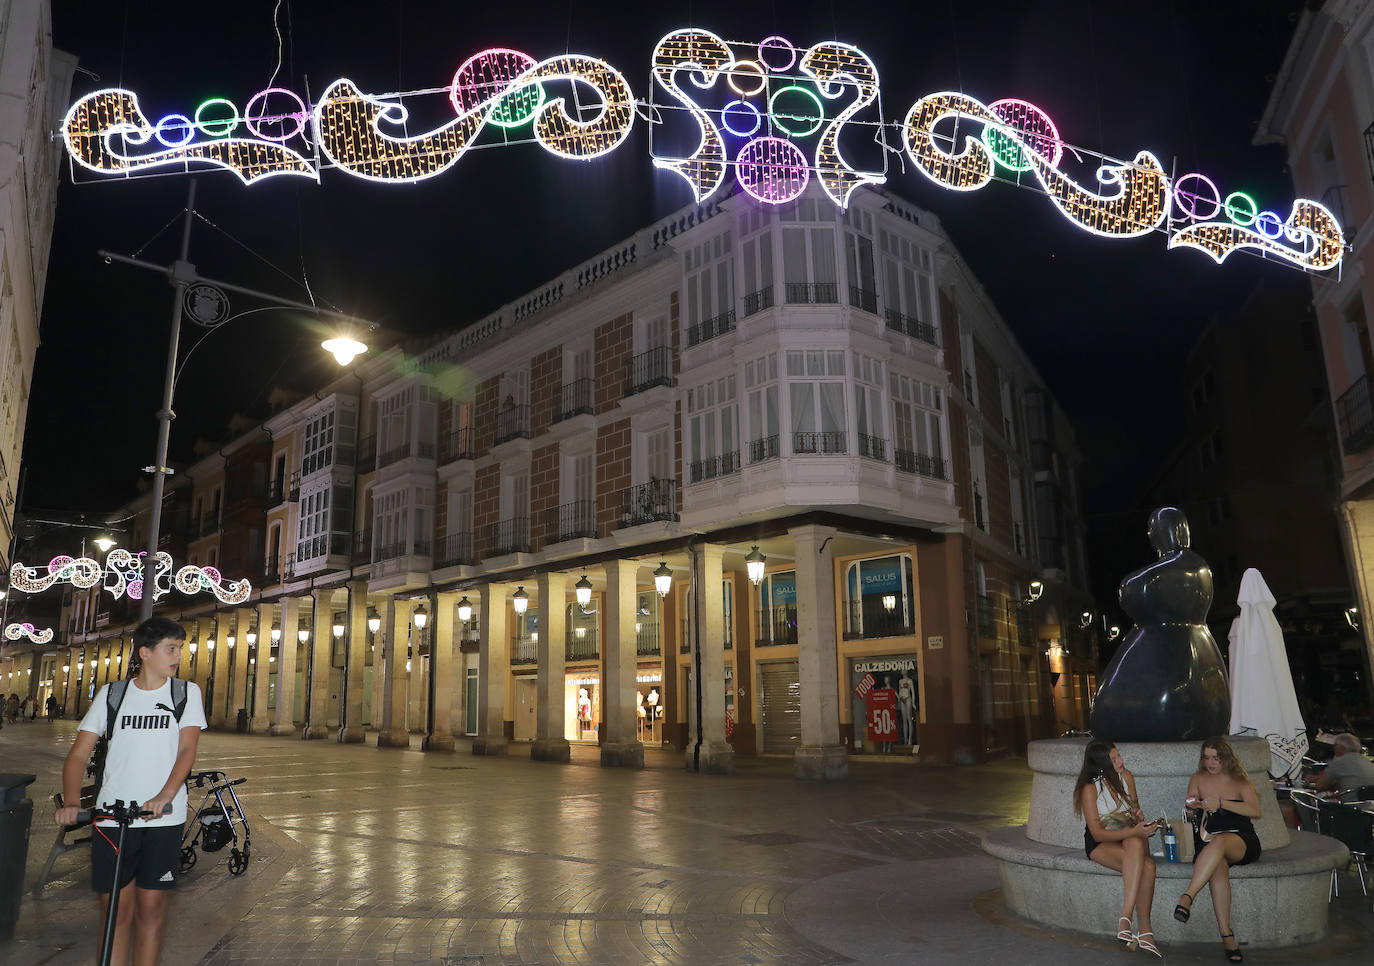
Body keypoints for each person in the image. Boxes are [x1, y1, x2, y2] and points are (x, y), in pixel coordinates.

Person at [54, 617, 206, 966]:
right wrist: (73, 802)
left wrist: (165, 796)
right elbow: (78, 754)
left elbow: (187, 751)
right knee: (115, 914)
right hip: (112, 818)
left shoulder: (185, 693)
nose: (178, 656)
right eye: (171, 649)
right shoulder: (114, 695)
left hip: (163, 820)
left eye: (180, 649)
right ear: (146, 653)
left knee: (151, 910)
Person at [1174, 737, 1262, 963]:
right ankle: (1227, 936)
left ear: (1226, 758)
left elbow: (1255, 810)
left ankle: (1187, 896)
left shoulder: (1240, 780)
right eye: (1206, 758)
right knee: (1218, 867)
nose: (1211, 763)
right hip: (1208, 840)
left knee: (1221, 842)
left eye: (1216, 758)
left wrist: (1221, 803)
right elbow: (1190, 808)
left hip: (1240, 839)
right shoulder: (1198, 778)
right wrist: (1193, 805)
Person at [1073, 739, 1161, 957]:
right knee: (1147, 867)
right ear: (1101, 763)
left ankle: (1126, 919)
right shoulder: (1090, 788)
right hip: (1102, 842)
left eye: (1118, 755)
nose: (1120, 761)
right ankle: (1145, 931)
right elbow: (1096, 833)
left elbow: (1134, 812)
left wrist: (1138, 816)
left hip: (1130, 839)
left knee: (1135, 842)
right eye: (1113, 759)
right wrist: (1134, 831)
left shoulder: (1127, 777)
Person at [1315, 733, 1374, 800]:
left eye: (1335, 745)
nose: (1334, 748)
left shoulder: (1340, 761)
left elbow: (1320, 786)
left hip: (1351, 807)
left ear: (1341, 747)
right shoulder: (1367, 761)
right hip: (1369, 807)